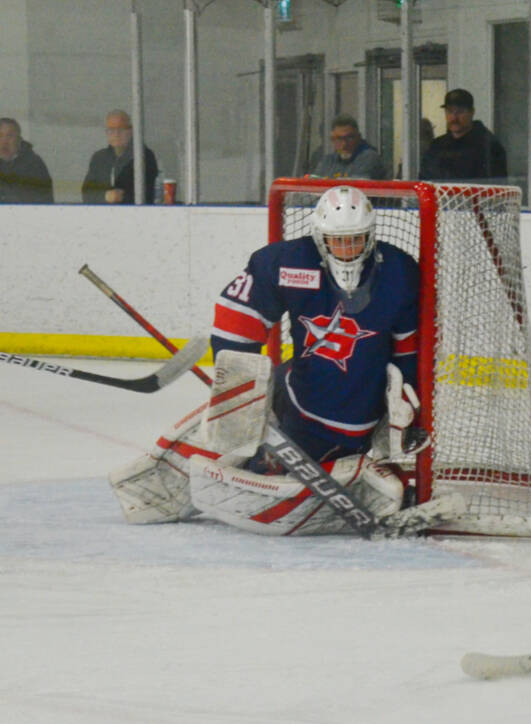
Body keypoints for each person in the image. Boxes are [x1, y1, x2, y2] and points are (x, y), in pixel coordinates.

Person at [109, 186, 426, 536]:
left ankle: (267, 461)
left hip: (347, 418)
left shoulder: (398, 272)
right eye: (338, 240)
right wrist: (242, 385)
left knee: (265, 464)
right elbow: (237, 314)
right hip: (293, 386)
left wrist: (405, 403)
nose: (347, 250)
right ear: (320, 238)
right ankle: (154, 486)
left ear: (370, 237)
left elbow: (408, 351)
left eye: (356, 240)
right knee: (230, 421)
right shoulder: (289, 262)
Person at [419, 89, 508, 182]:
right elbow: (425, 181)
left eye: (460, 111)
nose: (454, 117)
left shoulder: (489, 146)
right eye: (450, 111)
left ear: (472, 112)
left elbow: (496, 188)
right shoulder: (436, 146)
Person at [81, 109, 158, 204]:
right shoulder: (99, 158)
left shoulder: (143, 156)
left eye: (121, 129)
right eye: (111, 130)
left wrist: (121, 198)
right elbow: (87, 193)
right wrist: (105, 196)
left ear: (130, 131)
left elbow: (149, 193)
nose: (116, 134)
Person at [308, 114, 389, 180]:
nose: (344, 144)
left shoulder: (370, 158)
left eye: (349, 138)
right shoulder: (328, 161)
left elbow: (354, 188)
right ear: (332, 140)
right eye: (339, 139)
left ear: (359, 137)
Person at [0, 118, 53, 204]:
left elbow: (44, 199)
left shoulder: (33, 164)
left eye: (9, 136)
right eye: (0, 135)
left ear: (19, 140)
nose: (4, 141)